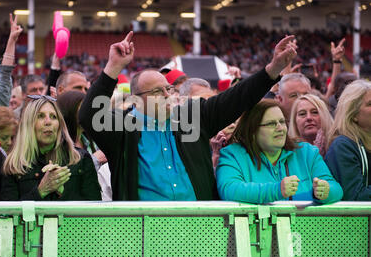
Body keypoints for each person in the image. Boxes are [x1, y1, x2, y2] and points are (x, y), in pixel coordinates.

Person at [79, 31, 298, 201]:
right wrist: (113, 68)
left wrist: (271, 70)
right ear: (137, 99)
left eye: (168, 89)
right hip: (143, 232)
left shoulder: (192, 116)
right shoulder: (122, 129)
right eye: (157, 91)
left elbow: (236, 98)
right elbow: (88, 115)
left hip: (198, 226)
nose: (167, 95)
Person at [216, 99, 343, 204]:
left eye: (282, 122)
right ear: (252, 130)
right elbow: (229, 190)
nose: (280, 128)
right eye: (271, 124)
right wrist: (277, 190)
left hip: (304, 231)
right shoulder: (232, 155)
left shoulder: (306, 153)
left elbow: (336, 189)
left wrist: (325, 191)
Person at [0, 95, 101, 201]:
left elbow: (93, 211)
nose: (48, 122)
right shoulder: (13, 165)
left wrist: (62, 192)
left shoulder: (80, 159)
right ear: (28, 124)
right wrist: (41, 191)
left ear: (60, 125)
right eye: (40, 116)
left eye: (53, 116)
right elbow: (9, 214)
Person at [57, 90, 111, 200]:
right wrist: (94, 160)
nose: (89, 112)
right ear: (69, 110)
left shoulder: (91, 140)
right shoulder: (58, 148)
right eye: (84, 108)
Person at [325, 80, 371, 201]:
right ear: (353, 114)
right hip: (355, 219)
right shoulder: (343, 147)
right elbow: (355, 197)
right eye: (370, 104)